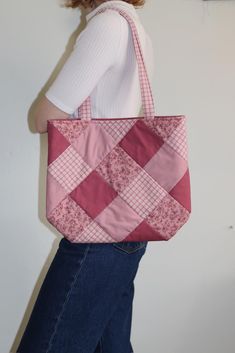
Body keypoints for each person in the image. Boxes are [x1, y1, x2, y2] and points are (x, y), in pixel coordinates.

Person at [16, 1, 155, 352]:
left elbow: (43, 118)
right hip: (129, 220)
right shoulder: (138, 29)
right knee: (112, 346)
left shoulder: (106, 26)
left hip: (98, 222)